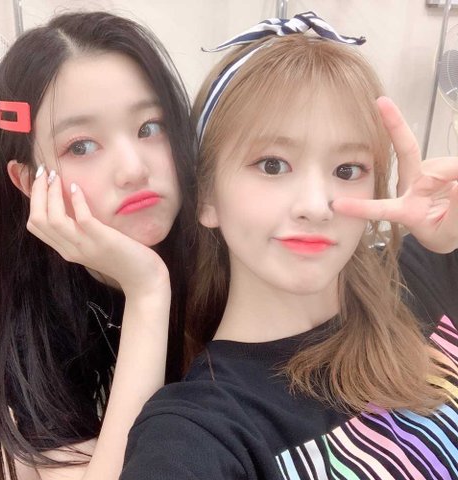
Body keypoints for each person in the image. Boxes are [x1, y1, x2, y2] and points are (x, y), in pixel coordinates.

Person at [121, 12, 458, 480]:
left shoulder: (423, 271)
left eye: (347, 170)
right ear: (207, 196)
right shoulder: (199, 431)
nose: (316, 206)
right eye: (273, 165)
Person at [0, 11, 194, 480]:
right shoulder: (26, 303)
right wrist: (147, 289)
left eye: (149, 126)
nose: (133, 169)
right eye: (81, 146)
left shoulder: (229, 246)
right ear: (28, 182)